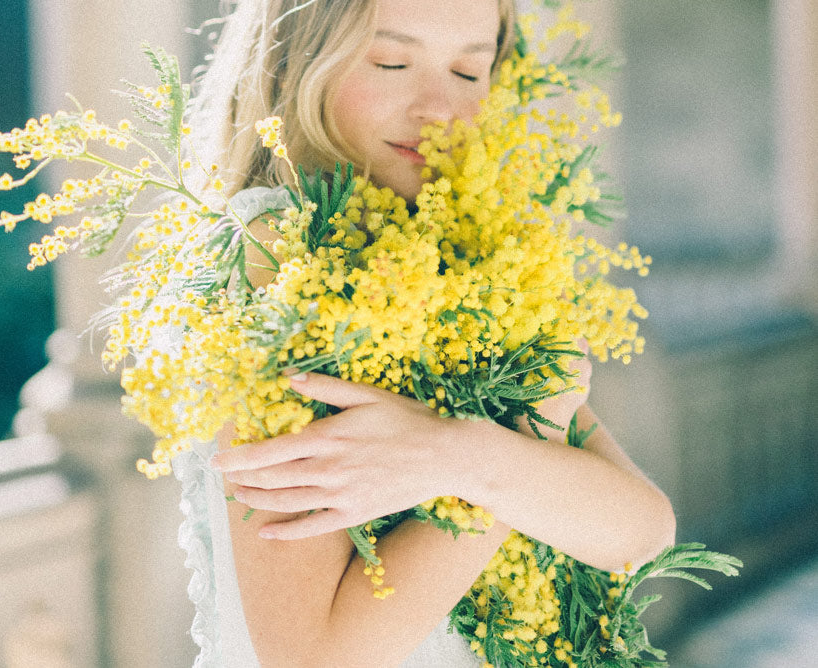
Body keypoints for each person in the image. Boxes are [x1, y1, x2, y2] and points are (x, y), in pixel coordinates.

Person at [175, 1, 676, 665]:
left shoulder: (458, 262)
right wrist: (513, 439)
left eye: (471, 72)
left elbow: (640, 532)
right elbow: (313, 657)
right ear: (296, 63)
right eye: (392, 61)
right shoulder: (273, 255)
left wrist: (457, 453)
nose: (438, 107)